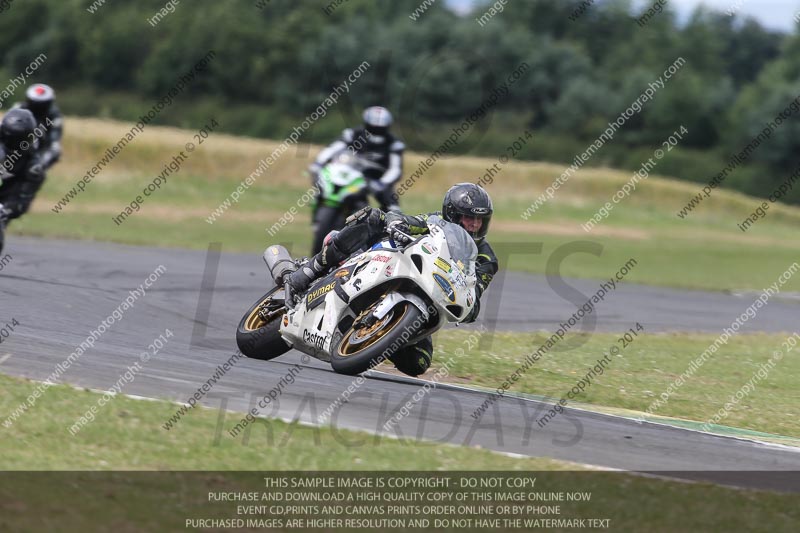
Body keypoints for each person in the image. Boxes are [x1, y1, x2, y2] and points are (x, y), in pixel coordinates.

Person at [286, 183, 498, 376]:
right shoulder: (437, 222)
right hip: (400, 268)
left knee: (418, 363)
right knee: (372, 218)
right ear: (453, 215)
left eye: (481, 220)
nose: (475, 225)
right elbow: (413, 222)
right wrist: (397, 221)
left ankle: (379, 336)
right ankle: (309, 271)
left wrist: (469, 307)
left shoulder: (487, 258)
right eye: (470, 218)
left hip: (430, 300)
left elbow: (475, 292)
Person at [309, 106, 404, 214]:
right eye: (373, 127)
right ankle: (320, 197)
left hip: (375, 179)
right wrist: (319, 162)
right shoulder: (353, 133)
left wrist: (382, 183)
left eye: (380, 129)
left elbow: (395, 169)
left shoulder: (394, 143)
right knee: (324, 174)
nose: (376, 131)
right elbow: (333, 148)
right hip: (350, 171)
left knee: (391, 203)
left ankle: (392, 222)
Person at [0, 109, 46, 226]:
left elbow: (24, 200)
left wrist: (7, 209)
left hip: (5, 199)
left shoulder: (33, 166)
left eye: (18, 140)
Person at [13, 83, 63, 170]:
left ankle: (34, 171)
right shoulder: (19, 107)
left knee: (55, 151)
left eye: (41, 104)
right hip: (13, 145)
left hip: (38, 152)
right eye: (33, 102)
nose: (37, 107)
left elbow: (55, 138)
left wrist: (41, 163)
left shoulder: (53, 115)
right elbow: (4, 124)